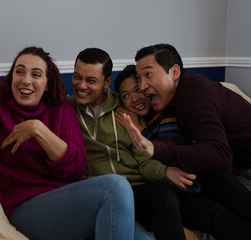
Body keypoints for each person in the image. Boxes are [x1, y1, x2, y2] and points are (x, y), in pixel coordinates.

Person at [0, 46, 136, 240]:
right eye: (19, 72)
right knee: (115, 187)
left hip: (72, 203)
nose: (26, 80)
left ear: (47, 84)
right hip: (26, 210)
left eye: (36, 74)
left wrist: (38, 130)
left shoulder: (61, 109)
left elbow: (76, 166)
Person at [123, 43, 251, 238]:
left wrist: (156, 150)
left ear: (174, 72)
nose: (142, 86)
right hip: (242, 167)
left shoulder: (194, 94)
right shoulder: (164, 104)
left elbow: (220, 155)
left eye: (148, 75)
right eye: (139, 78)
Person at [68, 47, 203, 240]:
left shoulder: (124, 112)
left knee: (165, 194)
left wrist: (165, 172)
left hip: (135, 191)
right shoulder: (66, 108)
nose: (81, 86)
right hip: (99, 194)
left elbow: (144, 160)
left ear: (107, 82)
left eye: (90, 80)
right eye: (77, 77)